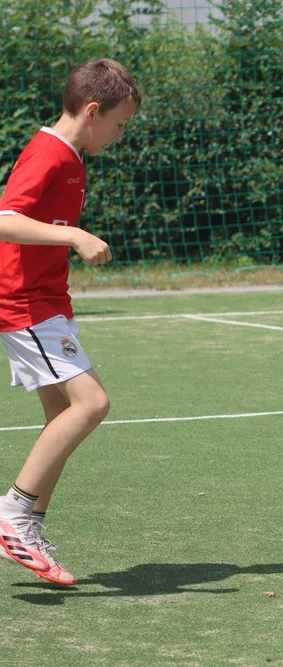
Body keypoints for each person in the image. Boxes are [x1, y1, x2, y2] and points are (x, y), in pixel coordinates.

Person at [0, 59, 140, 586]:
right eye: (119, 124)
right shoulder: (49, 153)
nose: (121, 135)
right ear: (90, 110)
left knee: (61, 412)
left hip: (46, 301)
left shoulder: (74, 154)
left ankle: (29, 524)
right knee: (93, 403)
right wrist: (75, 236)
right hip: (25, 303)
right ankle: (13, 513)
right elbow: (6, 220)